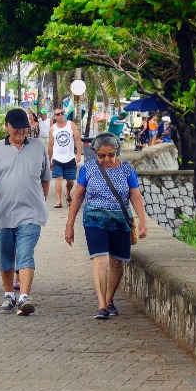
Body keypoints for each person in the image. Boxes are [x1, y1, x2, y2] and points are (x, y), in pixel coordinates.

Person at [64, 132, 148, 319]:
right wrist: (69, 225)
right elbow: (77, 197)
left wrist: (142, 221)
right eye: (102, 155)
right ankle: (101, 305)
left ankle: (109, 300)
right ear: (95, 153)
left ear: (116, 151)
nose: (107, 159)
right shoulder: (88, 169)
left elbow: (135, 195)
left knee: (117, 263)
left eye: (110, 155)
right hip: (94, 220)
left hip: (120, 221)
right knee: (100, 260)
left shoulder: (126, 169)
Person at [0, 108, 51, 316]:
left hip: (31, 213)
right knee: (6, 257)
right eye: (17, 127)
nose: (21, 131)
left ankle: (24, 297)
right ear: (7, 126)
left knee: (26, 253)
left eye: (24, 128)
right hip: (4, 212)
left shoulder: (39, 147)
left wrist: (41, 199)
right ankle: (9, 294)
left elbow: (46, 178)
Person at [48, 107, 82, 209]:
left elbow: (77, 139)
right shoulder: (52, 128)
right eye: (57, 114)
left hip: (70, 157)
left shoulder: (71, 125)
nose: (60, 115)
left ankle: (67, 192)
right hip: (57, 158)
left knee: (70, 180)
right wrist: (49, 159)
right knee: (58, 178)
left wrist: (79, 153)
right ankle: (58, 201)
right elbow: (50, 145)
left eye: (62, 113)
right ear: (54, 117)